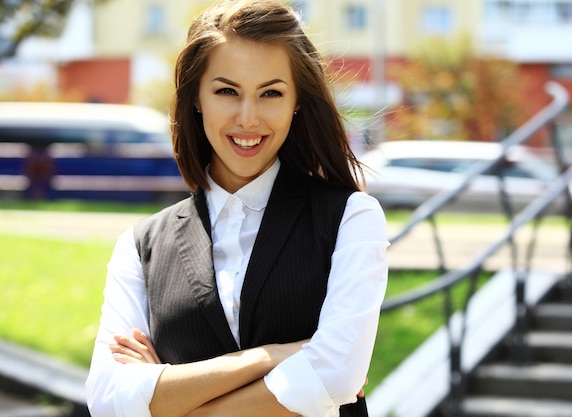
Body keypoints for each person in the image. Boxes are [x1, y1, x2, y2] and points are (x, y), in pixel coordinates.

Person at [85, 0, 388, 416]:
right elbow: (107, 399)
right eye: (227, 91)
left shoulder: (351, 218)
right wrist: (273, 356)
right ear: (196, 98)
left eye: (271, 93)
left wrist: (170, 401)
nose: (248, 118)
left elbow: (335, 374)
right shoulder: (141, 245)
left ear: (297, 102)